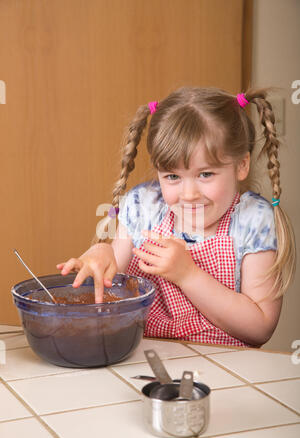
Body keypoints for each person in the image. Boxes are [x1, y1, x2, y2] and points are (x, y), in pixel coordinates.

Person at [56, 86, 296, 347]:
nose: (189, 194)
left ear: (241, 165)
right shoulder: (145, 205)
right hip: (146, 357)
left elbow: (260, 327)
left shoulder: (253, 220)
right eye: (172, 177)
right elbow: (112, 285)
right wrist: (101, 255)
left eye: (205, 174)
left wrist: (187, 275)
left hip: (225, 365)